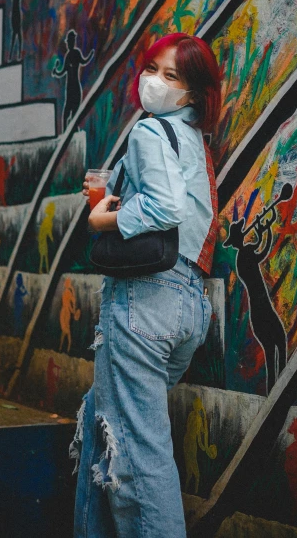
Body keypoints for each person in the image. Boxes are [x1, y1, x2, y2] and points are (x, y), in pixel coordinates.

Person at [71, 33, 222, 538]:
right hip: (189, 306)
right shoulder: (195, 146)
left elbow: (164, 208)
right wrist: (112, 195)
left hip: (146, 301)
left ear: (193, 94)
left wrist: (100, 221)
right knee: (102, 424)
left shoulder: (151, 133)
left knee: (138, 460)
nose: (153, 81)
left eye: (170, 75)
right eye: (152, 67)